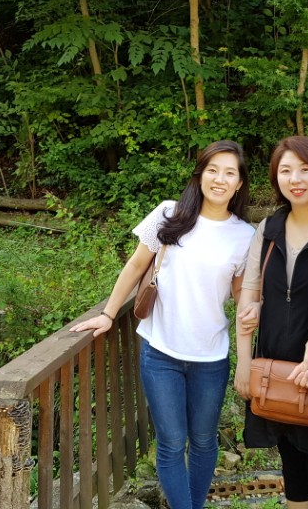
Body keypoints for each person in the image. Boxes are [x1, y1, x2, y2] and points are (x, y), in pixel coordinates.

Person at [71, 140, 255, 509]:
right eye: (212, 170)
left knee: (203, 441)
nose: (219, 179)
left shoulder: (245, 236)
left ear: (239, 184)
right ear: (200, 175)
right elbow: (135, 266)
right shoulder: (170, 214)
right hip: (160, 352)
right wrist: (108, 313)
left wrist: (258, 308)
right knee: (171, 443)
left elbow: (241, 295)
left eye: (229, 173)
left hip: (210, 356)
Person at [234, 136, 308, 509]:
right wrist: (244, 363)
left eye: (305, 169)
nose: (295, 179)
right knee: (294, 477)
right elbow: (249, 297)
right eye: (285, 170)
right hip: (275, 373)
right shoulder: (269, 229)